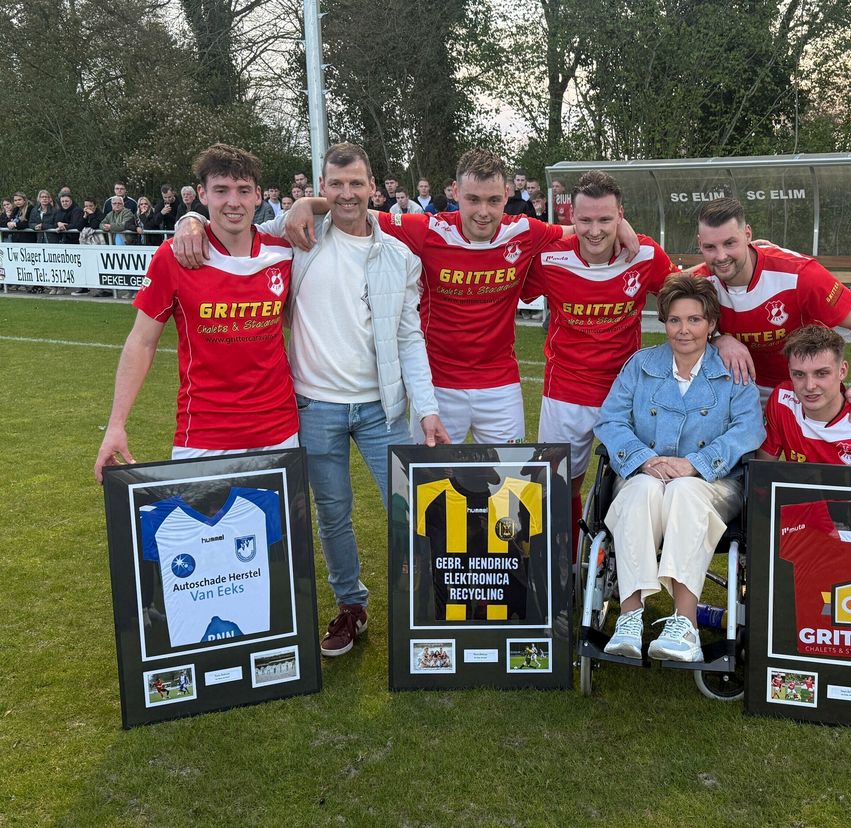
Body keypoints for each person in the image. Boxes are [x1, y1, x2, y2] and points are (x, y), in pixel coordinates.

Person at [172, 142, 448, 658]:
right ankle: (351, 606)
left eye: (356, 184)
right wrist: (187, 217)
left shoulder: (399, 256)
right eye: (335, 185)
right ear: (323, 188)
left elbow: (411, 338)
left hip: (382, 410)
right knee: (333, 514)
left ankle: (427, 603)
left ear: (373, 188)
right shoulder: (294, 237)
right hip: (314, 407)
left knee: (411, 509)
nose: (347, 194)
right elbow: (227, 221)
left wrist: (427, 408)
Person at [272, 147, 638, 446]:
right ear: (455, 194)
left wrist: (619, 222)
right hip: (438, 385)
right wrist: (308, 205)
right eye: (473, 199)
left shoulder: (526, 231)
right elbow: (354, 207)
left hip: (501, 386)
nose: (483, 211)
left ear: (507, 196)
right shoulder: (427, 229)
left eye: (494, 200)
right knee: (431, 491)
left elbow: (583, 228)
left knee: (510, 493)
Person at [93, 143, 298, 484]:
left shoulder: (284, 252)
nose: (234, 202)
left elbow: (343, 210)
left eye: (243, 190)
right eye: (221, 190)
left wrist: (305, 202)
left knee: (278, 537)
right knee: (204, 535)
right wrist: (115, 425)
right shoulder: (174, 256)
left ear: (258, 196)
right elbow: (141, 342)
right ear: (202, 194)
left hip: (279, 431)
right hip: (203, 435)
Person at [594, 276, 764, 662]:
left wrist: (695, 465)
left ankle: (683, 625)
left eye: (694, 320)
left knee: (686, 492)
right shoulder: (641, 365)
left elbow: (748, 429)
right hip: (646, 477)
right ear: (664, 322)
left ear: (711, 324)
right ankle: (630, 617)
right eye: (674, 320)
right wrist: (644, 460)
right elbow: (611, 421)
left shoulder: (731, 370)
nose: (684, 330)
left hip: (712, 484)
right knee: (640, 490)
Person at [526, 170, 677, 551]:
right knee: (562, 483)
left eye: (606, 219)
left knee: (635, 481)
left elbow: (687, 295)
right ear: (570, 219)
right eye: (585, 220)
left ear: (620, 215)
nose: (594, 231)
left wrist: (722, 337)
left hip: (626, 392)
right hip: (566, 390)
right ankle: (564, 565)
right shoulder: (550, 258)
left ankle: (625, 559)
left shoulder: (645, 255)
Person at [690, 196, 851, 425]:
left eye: (729, 243)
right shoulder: (699, 283)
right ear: (699, 243)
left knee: (828, 456)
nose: (721, 256)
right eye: (710, 247)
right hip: (743, 391)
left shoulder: (799, 273)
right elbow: (672, 301)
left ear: (748, 235)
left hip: (804, 389)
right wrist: (718, 340)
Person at [756, 325, 851, 469]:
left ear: (842, 371)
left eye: (822, 373)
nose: (810, 386)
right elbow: (761, 474)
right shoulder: (782, 400)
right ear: (789, 371)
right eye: (799, 374)